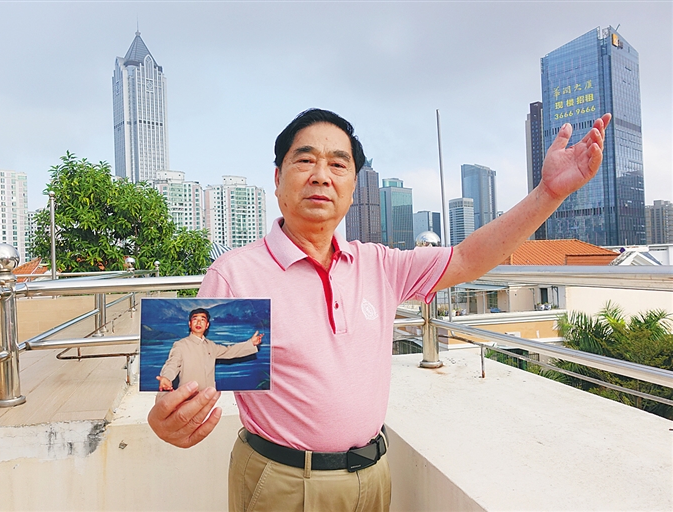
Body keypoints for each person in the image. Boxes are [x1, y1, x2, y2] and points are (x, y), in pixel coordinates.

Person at [148, 108, 612, 511]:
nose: (321, 175)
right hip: (282, 482)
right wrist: (167, 419)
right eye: (305, 160)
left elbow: (469, 258)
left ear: (353, 186)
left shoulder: (379, 265)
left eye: (338, 164)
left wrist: (549, 192)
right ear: (277, 178)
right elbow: (191, 376)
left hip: (372, 477)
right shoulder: (236, 274)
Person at [156, 308, 263, 391]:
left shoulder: (211, 345)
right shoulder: (181, 345)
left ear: (207, 325)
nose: (198, 323)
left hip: (209, 397)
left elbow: (230, 351)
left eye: (202, 320)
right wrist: (166, 377)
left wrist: (251, 343)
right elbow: (173, 363)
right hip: (187, 397)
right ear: (189, 324)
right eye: (195, 319)